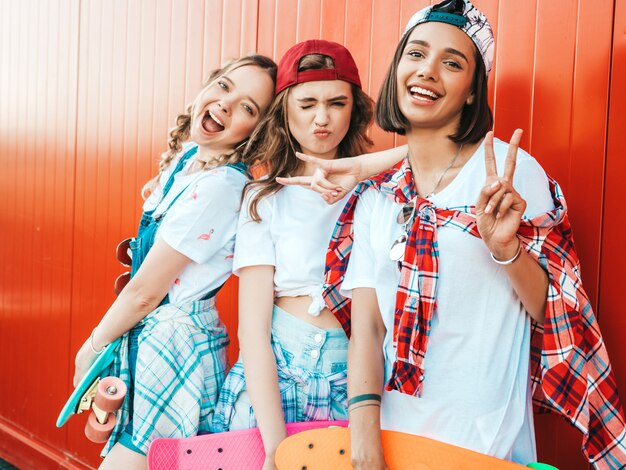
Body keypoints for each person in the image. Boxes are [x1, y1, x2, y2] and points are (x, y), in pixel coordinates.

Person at [283, 1, 626, 468]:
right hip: (393, 439)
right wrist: (365, 439)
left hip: (483, 441)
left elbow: (556, 312)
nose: (427, 71)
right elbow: (367, 327)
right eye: (416, 54)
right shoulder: (378, 196)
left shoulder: (509, 175)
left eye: (452, 62)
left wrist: (507, 251)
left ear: (470, 91)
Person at [71, 54, 276, 469]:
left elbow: (146, 292)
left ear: (255, 134)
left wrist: (91, 349)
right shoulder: (191, 160)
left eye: (248, 108)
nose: (226, 103)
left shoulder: (220, 186)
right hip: (150, 338)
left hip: (174, 346)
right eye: (224, 86)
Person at [210, 40, 374, 469]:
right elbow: (253, 331)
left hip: (353, 377)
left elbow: (440, 157)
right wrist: (275, 447)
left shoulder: (381, 191)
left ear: (354, 110)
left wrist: (368, 169)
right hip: (278, 371)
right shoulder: (264, 199)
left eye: (337, 102)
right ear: (285, 110)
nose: (322, 118)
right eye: (307, 103)